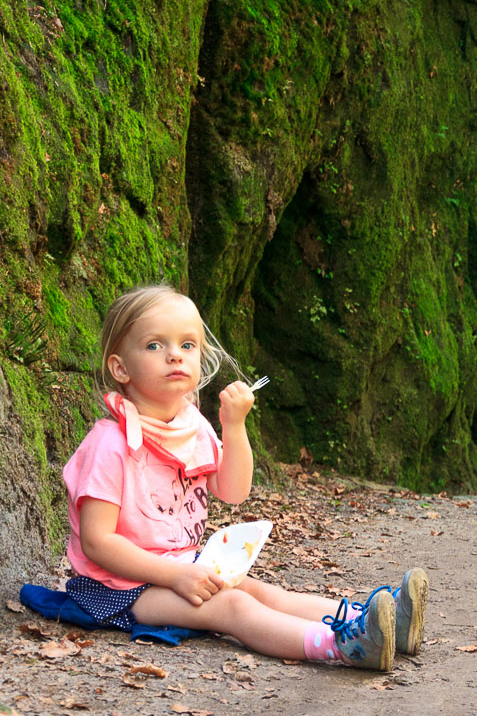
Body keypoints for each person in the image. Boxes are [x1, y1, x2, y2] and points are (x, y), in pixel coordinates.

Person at [61, 284, 429, 671]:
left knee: (262, 591)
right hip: (119, 587)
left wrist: (233, 427)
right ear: (120, 368)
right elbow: (98, 542)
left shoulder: (192, 427)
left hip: (183, 564)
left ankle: (376, 620)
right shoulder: (110, 444)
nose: (174, 355)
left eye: (187, 345)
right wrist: (176, 575)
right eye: (154, 345)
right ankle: (344, 645)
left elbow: (233, 491)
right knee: (232, 605)